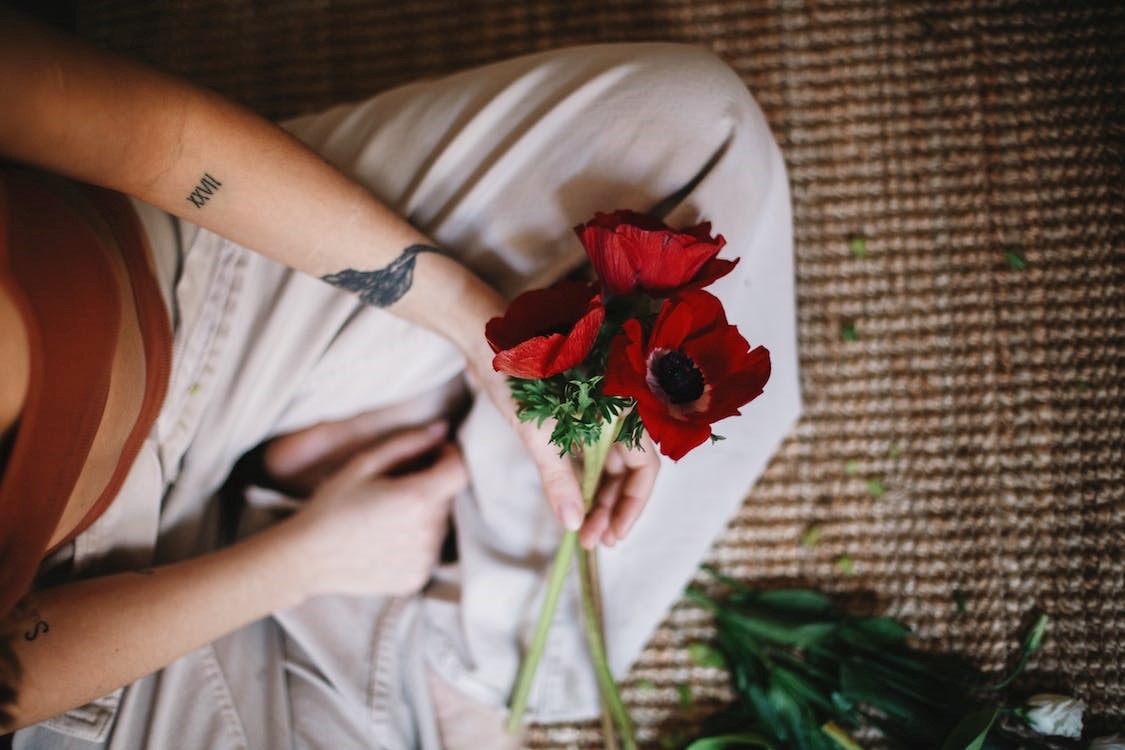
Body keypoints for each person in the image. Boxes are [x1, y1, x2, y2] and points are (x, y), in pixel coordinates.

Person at [0, 6, 800, 749]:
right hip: (83, 628)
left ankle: (414, 591)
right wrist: (305, 560)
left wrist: (467, 322)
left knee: (689, 127)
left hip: (186, 288)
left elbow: (163, 143)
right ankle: (400, 610)